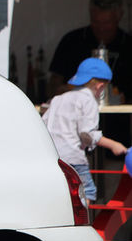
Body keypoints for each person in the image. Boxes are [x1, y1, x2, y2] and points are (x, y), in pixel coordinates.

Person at [43, 57, 129, 204]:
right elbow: (87, 134)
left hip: (52, 157)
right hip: (73, 158)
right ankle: (81, 224)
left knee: (59, 193)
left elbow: (44, 123)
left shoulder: (58, 99)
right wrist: (114, 145)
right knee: (86, 193)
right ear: (100, 87)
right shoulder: (88, 101)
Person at [49, 0, 132, 102]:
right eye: (96, 22)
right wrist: (62, 91)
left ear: (119, 17)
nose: (101, 28)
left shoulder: (128, 44)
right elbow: (55, 81)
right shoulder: (72, 41)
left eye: (107, 23)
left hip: (121, 117)